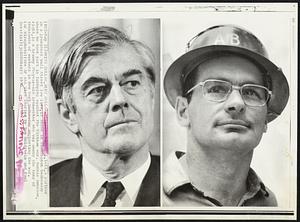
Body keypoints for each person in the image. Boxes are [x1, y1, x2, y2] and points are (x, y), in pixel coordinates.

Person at [163, 25, 289, 206]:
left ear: (265, 119)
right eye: (216, 89)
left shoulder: (268, 204)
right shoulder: (149, 195)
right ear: (183, 111)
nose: (237, 103)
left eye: (252, 92)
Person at [49, 26, 160, 207]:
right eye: (98, 90)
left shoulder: (185, 191)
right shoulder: (37, 193)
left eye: (132, 83)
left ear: (152, 96)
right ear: (69, 114)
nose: (120, 100)